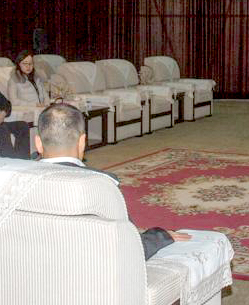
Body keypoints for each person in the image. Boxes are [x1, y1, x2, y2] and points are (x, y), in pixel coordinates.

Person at [35, 102, 190, 259]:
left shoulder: (19, 178)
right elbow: (131, 248)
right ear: (82, 142)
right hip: (86, 267)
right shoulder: (102, 184)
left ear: (38, 143)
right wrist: (160, 236)